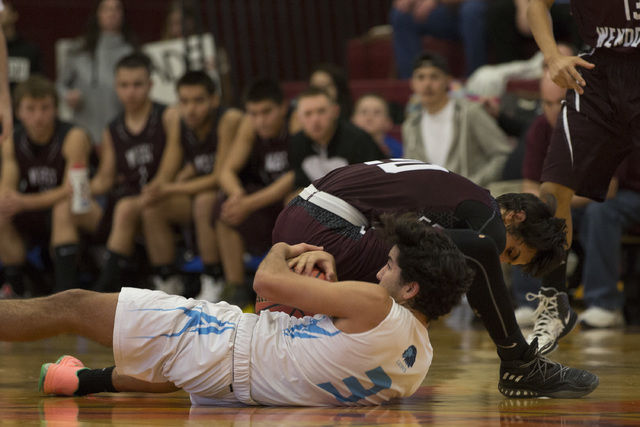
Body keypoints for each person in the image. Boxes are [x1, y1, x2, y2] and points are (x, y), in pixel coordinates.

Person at [4, 215, 477, 406]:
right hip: (237, 388)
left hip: (219, 341)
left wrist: (282, 248)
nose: (379, 273)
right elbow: (313, 357)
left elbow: (264, 283)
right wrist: (323, 295)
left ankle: (78, 376)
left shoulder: (377, 304)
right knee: (178, 365)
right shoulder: (419, 364)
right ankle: (79, 381)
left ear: (411, 288)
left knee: (71, 304)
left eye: (390, 268)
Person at [272, 159, 598, 397]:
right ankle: (520, 362)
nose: (502, 257)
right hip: (327, 225)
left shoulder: (462, 193)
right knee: (457, 256)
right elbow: (479, 256)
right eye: (512, 253)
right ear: (515, 216)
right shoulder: (490, 220)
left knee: (420, 269)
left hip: (298, 217)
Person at [524, 0, 640, 351]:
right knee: (552, 189)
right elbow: (536, 6)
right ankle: (553, 301)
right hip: (597, 73)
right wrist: (552, 57)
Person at [141, 70, 242, 298]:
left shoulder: (228, 120)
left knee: (204, 201)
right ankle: (168, 282)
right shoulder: (180, 122)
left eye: (198, 101)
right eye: (184, 101)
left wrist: (171, 188)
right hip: (198, 194)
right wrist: (156, 188)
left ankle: (213, 279)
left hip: (233, 195)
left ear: (214, 100)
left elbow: (218, 178)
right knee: (153, 206)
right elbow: (168, 168)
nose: (190, 108)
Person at [91, 53, 181, 293]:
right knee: (116, 207)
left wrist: (156, 188)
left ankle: (107, 288)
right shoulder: (112, 129)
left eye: (137, 85)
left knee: (129, 207)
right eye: (124, 85)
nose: (131, 92)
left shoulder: (168, 115)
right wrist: (76, 188)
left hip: (171, 195)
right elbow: (105, 179)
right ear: (116, 87)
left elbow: (170, 170)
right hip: (133, 200)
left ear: (150, 85)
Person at [0, 75, 93, 296]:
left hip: (84, 209)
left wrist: (23, 202)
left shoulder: (73, 136)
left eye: (45, 108)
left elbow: (71, 189)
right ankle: (20, 285)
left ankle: (67, 295)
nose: (39, 116)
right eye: (31, 109)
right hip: (35, 210)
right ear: (18, 111)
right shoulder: (12, 140)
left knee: (64, 207)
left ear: (56, 108)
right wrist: (8, 200)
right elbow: (8, 189)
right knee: (1, 212)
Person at [214, 78, 293, 307]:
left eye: (266, 112)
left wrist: (249, 203)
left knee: (295, 202)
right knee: (224, 208)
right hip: (264, 201)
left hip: (287, 200)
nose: (260, 120)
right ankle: (236, 289)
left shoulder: (296, 122)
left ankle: (287, 289)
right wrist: (237, 194)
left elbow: (295, 176)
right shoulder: (250, 125)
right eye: (253, 113)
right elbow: (226, 171)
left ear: (283, 107)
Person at [402, 52, 512, 187]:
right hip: (430, 203)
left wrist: (474, 185)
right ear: (412, 83)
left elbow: (502, 154)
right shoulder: (410, 125)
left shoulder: (470, 112)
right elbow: (409, 171)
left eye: (434, 77)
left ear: (448, 81)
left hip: (471, 200)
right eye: (421, 77)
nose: (427, 84)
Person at [56, 0, 136, 143]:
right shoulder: (79, 50)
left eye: (116, 9)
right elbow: (59, 85)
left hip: (120, 133)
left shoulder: (131, 53)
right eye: (106, 9)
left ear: (123, 15)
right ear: (97, 14)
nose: (111, 13)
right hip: (83, 131)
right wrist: (67, 95)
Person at [288, 86, 384, 198]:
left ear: (335, 111)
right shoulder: (296, 143)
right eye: (308, 114)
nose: (315, 120)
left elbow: (375, 184)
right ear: (298, 117)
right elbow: (300, 186)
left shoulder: (358, 139)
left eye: (321, 111)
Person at [389, 0, 488, 78]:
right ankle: (412, 82)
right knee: (402, 15)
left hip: (479, 11)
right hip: (447, 14)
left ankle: (476, 78)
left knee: (471, 10)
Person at [352, 93, 403, 158]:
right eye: (363, 112)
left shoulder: (398, 150)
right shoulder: (345, 148)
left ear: (388, 122)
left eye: (377, 112)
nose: (369, 117)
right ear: (352, 119)